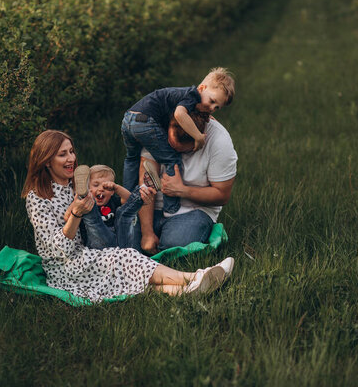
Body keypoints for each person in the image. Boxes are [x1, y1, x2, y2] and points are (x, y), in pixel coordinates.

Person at [21, 129, 234, 302]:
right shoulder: (37, 198)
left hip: (89, 250)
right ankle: (194, 277)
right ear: (47, 161)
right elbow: (59, 250)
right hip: (66, 268)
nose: (71, 159)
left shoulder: (74, 184)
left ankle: (185, 290)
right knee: (126, 257)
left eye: (71, 151)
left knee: (125, 232)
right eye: (62, 154)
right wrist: (76, 214)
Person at [121, 67, 235, 215]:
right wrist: (198, 136)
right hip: (145, 122)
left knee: (131, 158)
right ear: (202, 88)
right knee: (171, 159)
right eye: (212, 101)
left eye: (217, 107)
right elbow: (180, 114)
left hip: (128, 119)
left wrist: (206, 113)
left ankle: (126, 197)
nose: (212, 108)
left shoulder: (186, 97)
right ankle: (171, 207)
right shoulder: (191, 95)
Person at [138, 114, 237, 253]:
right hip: (153, 206)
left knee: (174, 245)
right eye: (172, 145)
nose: (176, 152)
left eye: (185, 149)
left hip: (193, 210)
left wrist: (181, 190)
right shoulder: (156, 130)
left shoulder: (220, 142)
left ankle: (209, 233)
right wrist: (147, 232)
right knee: (124, 238)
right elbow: (145, 184)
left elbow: (222, 195)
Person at [69, 164, 155, 251]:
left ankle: (146, 188)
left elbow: (128, 199)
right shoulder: (83, 206)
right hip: (98, 247)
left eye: (105, 187)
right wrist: (78, 200)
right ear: (88, 188)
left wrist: (116, 187)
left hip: (121, 243)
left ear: (112, 192)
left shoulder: (113, 201)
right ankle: (83, 195)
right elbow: (67, 216)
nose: (101, 189)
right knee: (93, 216)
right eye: (96, 185)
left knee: (124, 213)